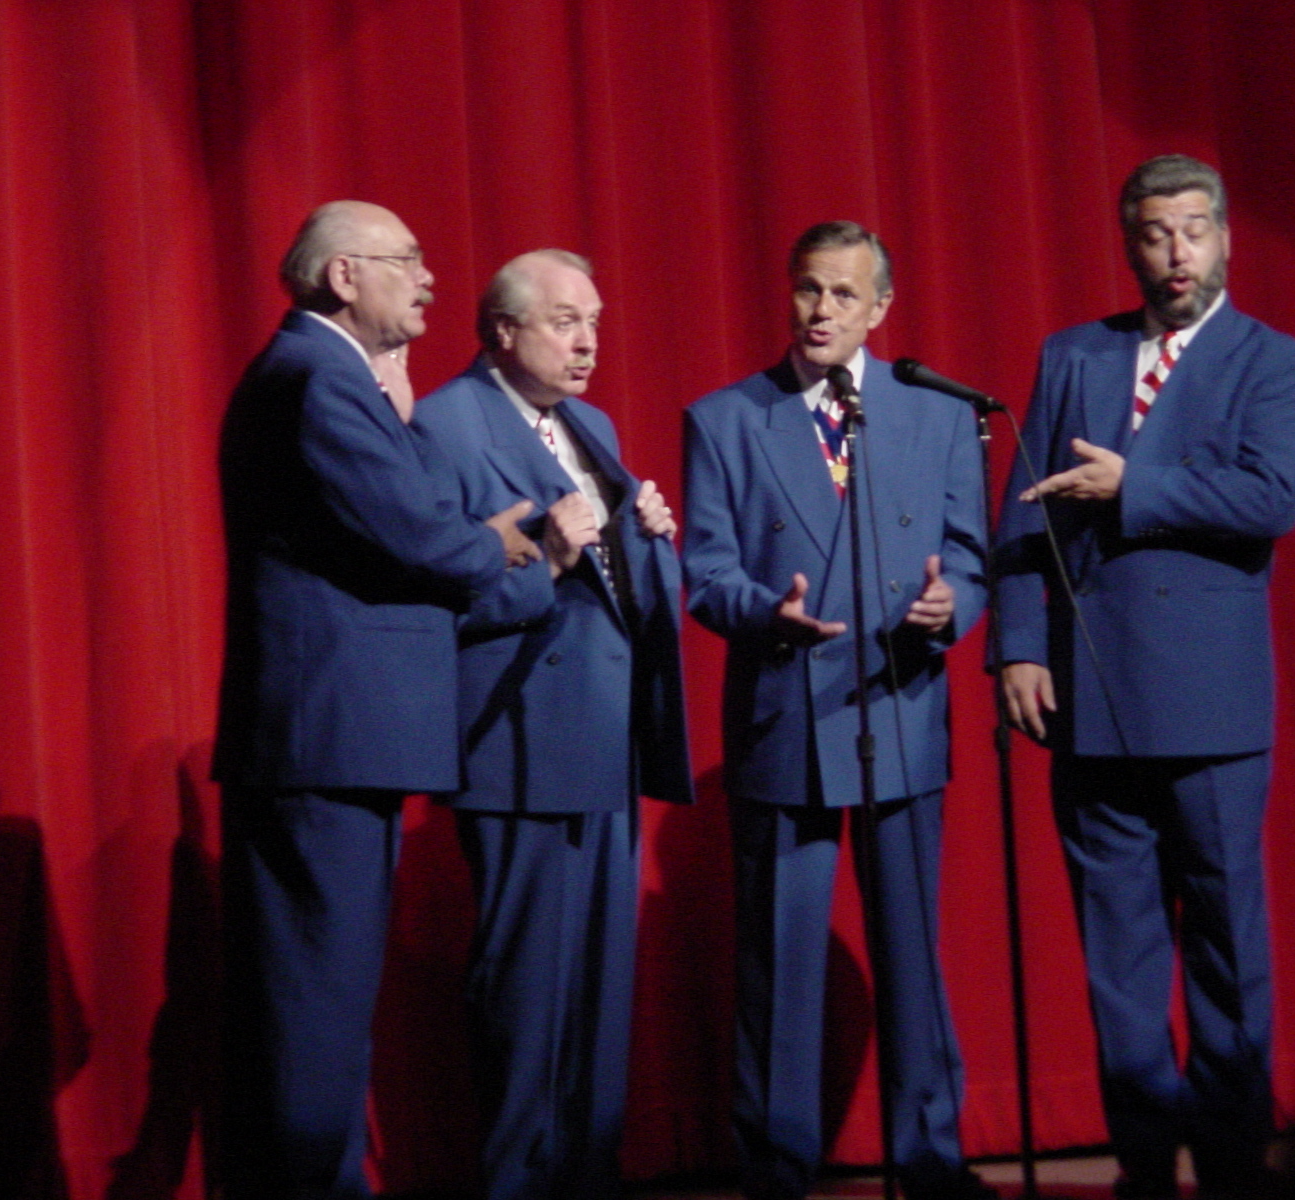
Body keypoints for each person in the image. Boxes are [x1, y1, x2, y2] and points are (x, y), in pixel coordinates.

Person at [995, 155, 1295, 1200]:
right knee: (1119, 958)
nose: (1175, 252)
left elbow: (1269, 498)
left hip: (1210, 706)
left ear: (1222, 236)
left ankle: (1230, 1162)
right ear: (1129, 244)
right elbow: (1023, 515)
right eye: (1153, 234)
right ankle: (1142, 1163)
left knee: (1226, 949)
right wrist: (1019, 644)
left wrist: (1133, 484)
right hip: (1090, 697)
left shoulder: (1279, 363)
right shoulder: (1074, 355)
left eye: (1192, 229)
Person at [211, 201, 550, 1200]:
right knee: (315, 1004)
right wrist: (498, 542)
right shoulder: (318, 379)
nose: (430, 278)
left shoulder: (333, 378)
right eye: (406, 259)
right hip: (326, 739)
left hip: (338, 739)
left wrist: (456, 512)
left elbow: (409, 522)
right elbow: (423, 536)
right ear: (343, 275)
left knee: (324, 999)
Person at [682, 221, 990, 1200]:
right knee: (778, 963)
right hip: (785, 712)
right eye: (808, 289)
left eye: (844, 295)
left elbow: (970, 552)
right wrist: (761, 613)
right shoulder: (726, 419)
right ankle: (776, 1168)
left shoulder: (936, 413)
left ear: (880, 308)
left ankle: (929, 1160)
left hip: (900, 704)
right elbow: (705, 572)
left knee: (911, 954)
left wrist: (952, 606)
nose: (821, 311)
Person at [413, 249, 691, 1200]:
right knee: (527, 991)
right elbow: (432, 602)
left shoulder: (590, 425)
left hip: (606, 738)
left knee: (598, 996)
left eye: (595, 322)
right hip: (518, 741)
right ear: (503, 331)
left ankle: (587, 1172)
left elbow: (622, 594)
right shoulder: (446, 425)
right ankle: (517, 1181)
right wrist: (552, 563)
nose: (587, 343)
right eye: (565, 322)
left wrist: (651, 543)